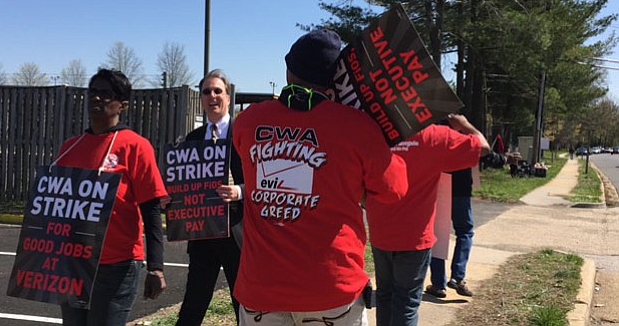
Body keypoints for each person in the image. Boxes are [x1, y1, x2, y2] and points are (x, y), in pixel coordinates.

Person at [231, 29, 409, 326]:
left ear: (288, 70)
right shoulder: (357, 127)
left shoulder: (248, 121)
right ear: (334, 79)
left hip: (261, 289)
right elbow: (394, 189)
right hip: (331, 290)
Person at [53, 69, 167, 326]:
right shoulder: (69, 147)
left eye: (106, 94)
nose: (97, 98)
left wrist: (156, 267)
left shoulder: (135, 146)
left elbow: (151, 210)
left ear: (122, 105)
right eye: (93, 92)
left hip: (117, 266)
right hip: (74, 263)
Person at [365, 115, 491, 326]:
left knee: (385, 296)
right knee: (406, 303)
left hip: (380, 232)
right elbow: (484, 147)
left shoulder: (373, 132)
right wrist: (464, 124)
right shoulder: (435, 136)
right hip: (414, 238)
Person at [175, 69, 244, 326]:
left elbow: (262, 179)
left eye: (218, 91)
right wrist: (171, 199)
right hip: (202, 233)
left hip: (237, 234)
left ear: (228, 97)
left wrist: (239, 191)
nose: (212, 96)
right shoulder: (191, 139)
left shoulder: (242, 133)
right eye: (206, 92)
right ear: (201, 98)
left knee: (244, 307)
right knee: (193, 304)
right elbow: (183, 186)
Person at [426, 149, 520, 299]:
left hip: (439, 186)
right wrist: (503, 159)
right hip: (461, 188)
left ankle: (438, 285)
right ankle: (457, 276)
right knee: (465, 232)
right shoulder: (466, 131)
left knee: (438, 234)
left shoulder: (435, 127)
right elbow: (483, 150)